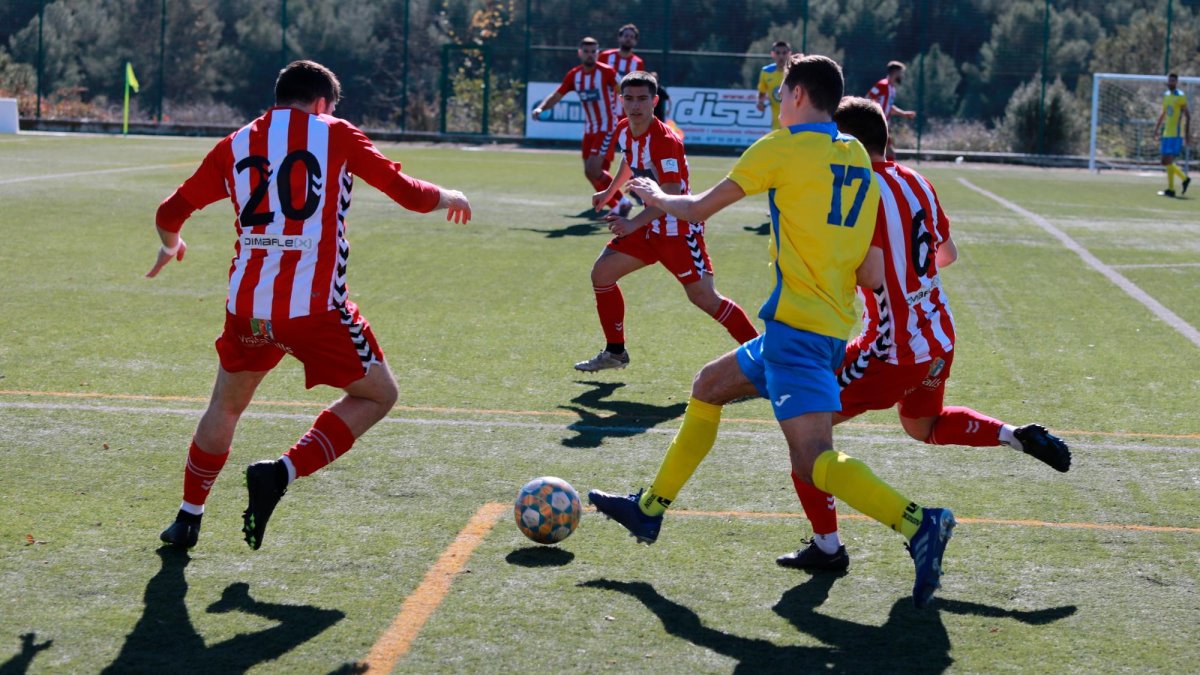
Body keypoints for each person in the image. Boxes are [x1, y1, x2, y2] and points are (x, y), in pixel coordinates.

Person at [589, 55, 956, 609]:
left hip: (798, 332)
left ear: (801, 95)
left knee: (814, 462)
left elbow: (696, 210)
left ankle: (919, 523)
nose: (776, 101)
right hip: (823, 326)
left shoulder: (781, 146)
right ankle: (649, 510)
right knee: (708, 385)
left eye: (782, 92)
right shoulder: (855, 153)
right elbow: (872, 269)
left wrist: (655, 198)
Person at [150, 60, 472, 551]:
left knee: (225, 406)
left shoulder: (235, 144)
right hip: (315, 312)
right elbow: (406, 194)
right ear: (322, 103)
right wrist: (451, 194)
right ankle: (280, 473)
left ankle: (188, 518)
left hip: (248, 309)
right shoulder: (335, 133)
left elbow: (169, 212)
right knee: (378, 395)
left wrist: (171, 244)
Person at [776, 97, 1072, 573]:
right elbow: (947, 254)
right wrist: (908, 282)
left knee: (806, 437)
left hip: (892, 349)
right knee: (922, 427)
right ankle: (1013, 436)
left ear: (847, 144)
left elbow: (867, 274)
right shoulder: (917, 181)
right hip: (937, 338)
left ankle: (828, 547)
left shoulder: (859, 190)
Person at [575, 71, 758, 372]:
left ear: (655, 101)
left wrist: (633, 223)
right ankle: (616, 352)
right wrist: (610, 190)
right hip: (650, 227)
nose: (635, 105)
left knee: (705, 299)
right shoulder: (625, 129)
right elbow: (629, 160)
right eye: (629, 98)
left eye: (643, 99)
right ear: (621, 100)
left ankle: (765, 362)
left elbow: (671, 194)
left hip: (677, 229)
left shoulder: (665, 141)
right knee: (602, 274)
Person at [533, 37, 625, 214]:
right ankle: (617, 205)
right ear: (580, 53)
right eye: (586, 51)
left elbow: (623, 90)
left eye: (593, 52)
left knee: (594, 169)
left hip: (607, 127)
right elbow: (557, 95)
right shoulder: (574, 75)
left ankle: (621, 202)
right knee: (589, 173)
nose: (590, 55)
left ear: (598, 53)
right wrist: (541, 108)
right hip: (590, 128)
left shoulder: (607, 72)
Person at [866, 61, 916, 160]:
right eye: (901, 73)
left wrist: (904, 114)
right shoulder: (882, 84)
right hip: (877, 123)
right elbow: (868, 98)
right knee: (888, 153)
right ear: (895, 72)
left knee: (883, 153)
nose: (902, 75)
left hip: (884, 124)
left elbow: (889, 107)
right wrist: (874, 116)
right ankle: (888, 174)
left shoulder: (892, 88)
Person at [1154, 73, 1191, 197]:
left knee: (1167, 161)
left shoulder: (1180, 96)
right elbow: (1164, 113)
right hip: (1166, 133)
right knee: (1165, 162)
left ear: (1177, 82)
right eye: (1169, 81)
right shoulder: (1166, 95)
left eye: (1173, 81)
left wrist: (1186, 135)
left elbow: (1188, 116)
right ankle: (1183, 179)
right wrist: (1157, 128)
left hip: (1175, 134)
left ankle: (1171, 189)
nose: (1171, 83)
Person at [756, 41, 792, 131]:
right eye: (778, 53)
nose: (781, 56)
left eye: (784, 53)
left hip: (795, 120)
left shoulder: (795, 72)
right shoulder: (766, 72)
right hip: (777, 123)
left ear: (789, 54)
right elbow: (762, 92)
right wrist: (760, 102)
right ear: (772, 54)